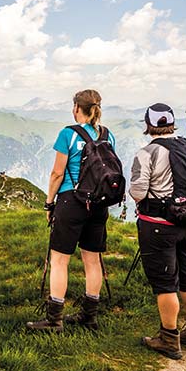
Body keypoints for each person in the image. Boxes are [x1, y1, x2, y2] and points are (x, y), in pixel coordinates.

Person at [27, 89, 111, 332]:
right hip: (98, 204)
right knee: (92, 260)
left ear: (77, 108)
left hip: (71, 202)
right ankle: (89, 316)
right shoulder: (108, 135)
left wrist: (49, 202)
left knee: (60, 260)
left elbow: (57, 173)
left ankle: (54, 319)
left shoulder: (68, 134)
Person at [128, 103, 186, 359]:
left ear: (148, 124)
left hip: (159, 226)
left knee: (165, 284)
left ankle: (169, 339)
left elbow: (138, 191)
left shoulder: (147, 153)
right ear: (171, 123)